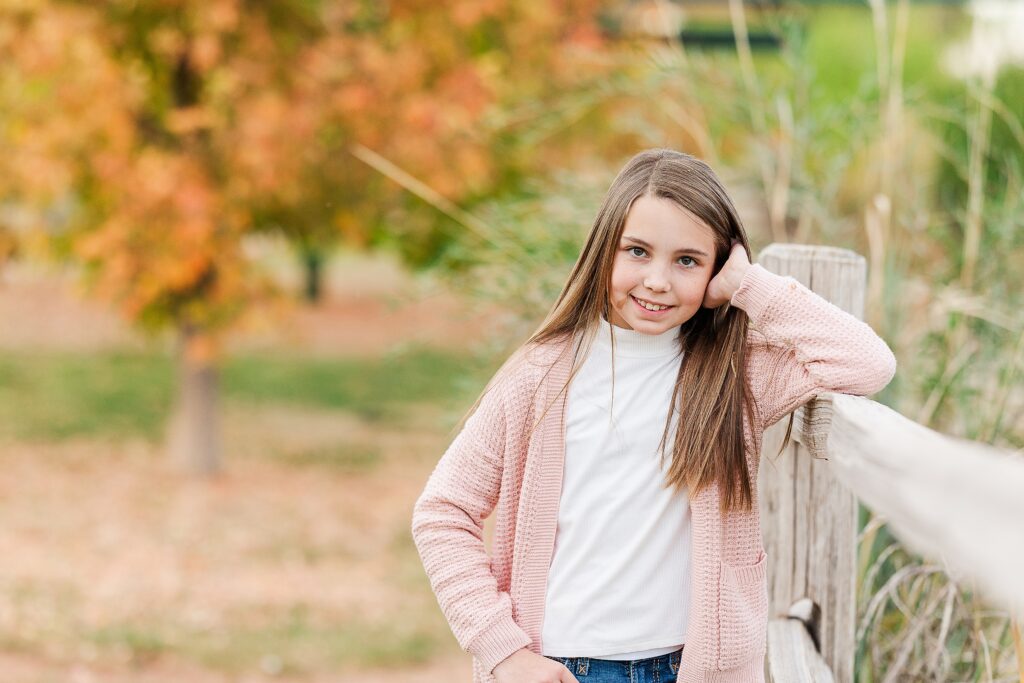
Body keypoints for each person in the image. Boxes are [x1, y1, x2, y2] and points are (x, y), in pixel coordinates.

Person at [411, 148, 896, 683]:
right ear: (603, 251)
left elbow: (867, 362)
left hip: (690, 667)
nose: (658, 280)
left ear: (718, 268)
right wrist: (503, 652)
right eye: (637, 251)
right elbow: (442, 513)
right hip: (565, 668)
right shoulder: (539, 377)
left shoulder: (735, 375)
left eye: (687, 260)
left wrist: (748, 286)